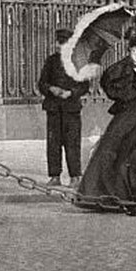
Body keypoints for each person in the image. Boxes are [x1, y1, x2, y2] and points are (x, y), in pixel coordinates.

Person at [74, 18, 136, 216]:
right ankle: (117, 199)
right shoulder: (122, 67)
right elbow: (114, 90)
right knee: (120, 154)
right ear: (130, 49)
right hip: (128, 118)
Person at [38, 27, 90, 186]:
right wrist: (51, 89)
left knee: (72, 143)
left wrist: (71, 93)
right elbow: (41, 84)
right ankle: (55, 176)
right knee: (53, 143)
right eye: (59, 43)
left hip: (71, 109)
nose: (61, 47)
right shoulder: (51, 61)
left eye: (65, 43)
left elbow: (84, 86)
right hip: (54, 108)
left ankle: (75, 176)